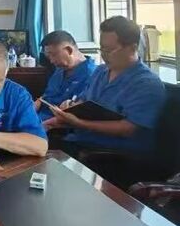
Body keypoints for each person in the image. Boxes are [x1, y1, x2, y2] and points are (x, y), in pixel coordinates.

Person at [45, 16, 165, 154]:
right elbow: (83, 102)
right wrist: (67, 111)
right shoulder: (100, 72)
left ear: (132, 48)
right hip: (78, 140)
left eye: (109, 50)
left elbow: (129, 129)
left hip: (111, 152)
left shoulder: (146, 84)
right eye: (101, 49)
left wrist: (79, 123)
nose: (104, 56)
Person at [35, 30, 96, 121]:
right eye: (49, 57)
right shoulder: (59, 69)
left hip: (59, 123)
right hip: (38, 117)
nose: (51, 61)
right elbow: (47, 95)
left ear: (69, 50)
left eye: (54, 55)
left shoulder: (93, 75)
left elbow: (82, 113)